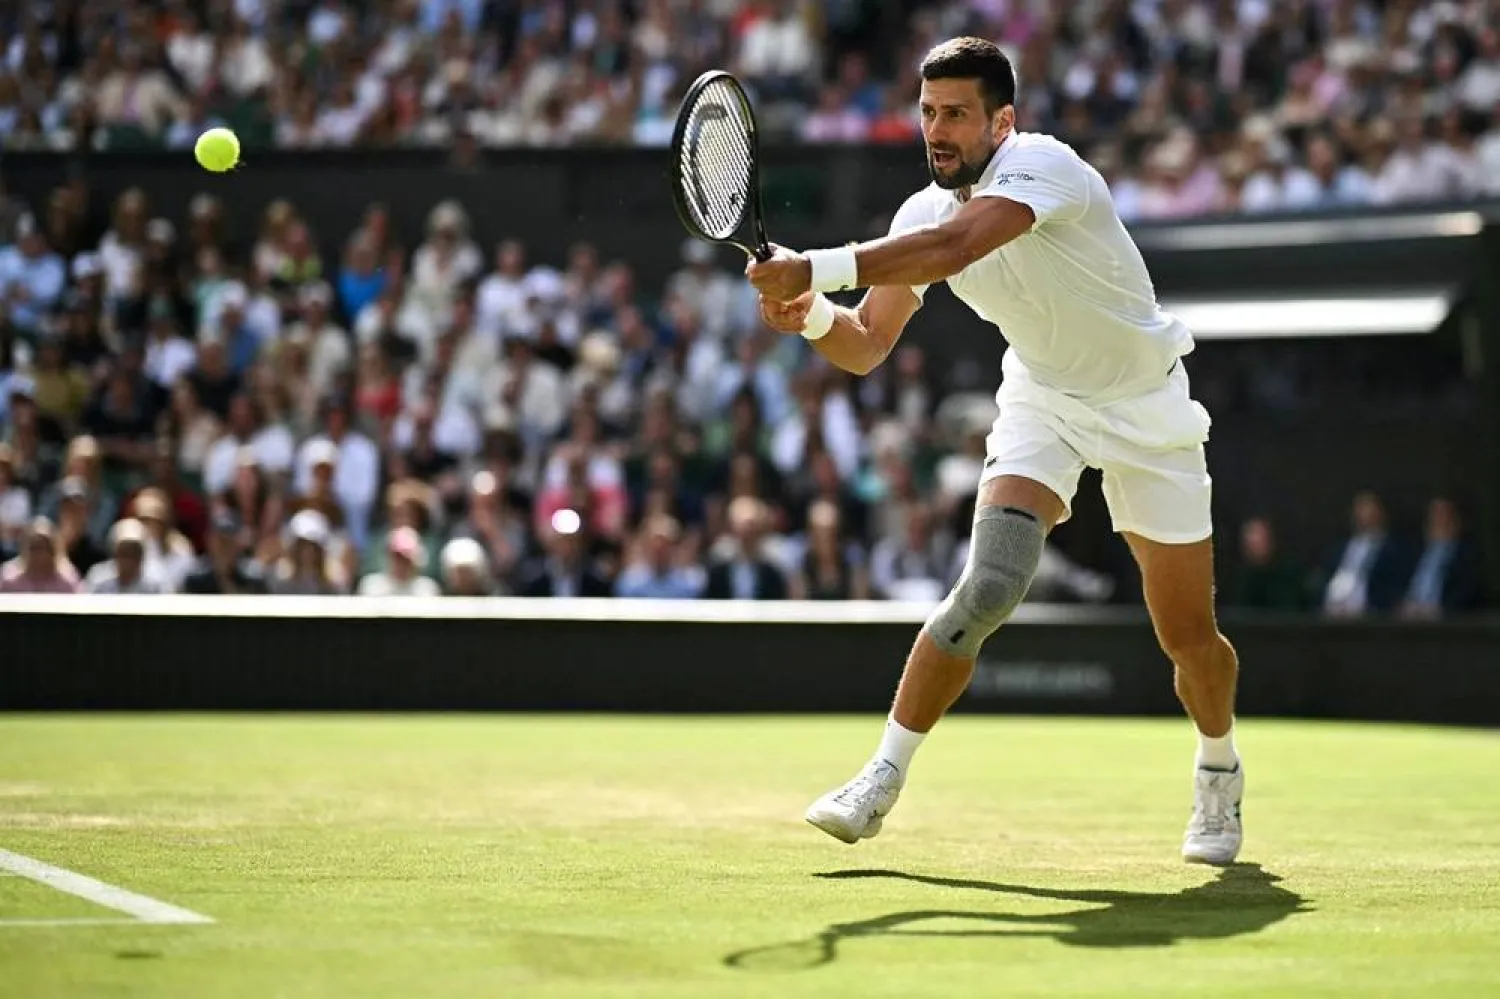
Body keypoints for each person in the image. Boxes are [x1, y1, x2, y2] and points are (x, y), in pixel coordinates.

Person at [747, 37, 1244, 865]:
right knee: (989, 584)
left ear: (1002, 121)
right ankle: (880, 776)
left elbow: (958, 250)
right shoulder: (918, 213)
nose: (936, 130)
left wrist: (816, 268)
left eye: (957, 114)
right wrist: (812, 317)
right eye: (928, 112)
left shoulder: (1046, 165)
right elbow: (868, 342)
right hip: (1043, 401)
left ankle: (1218, 765)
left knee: (1190, 639)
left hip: (1148, 405)